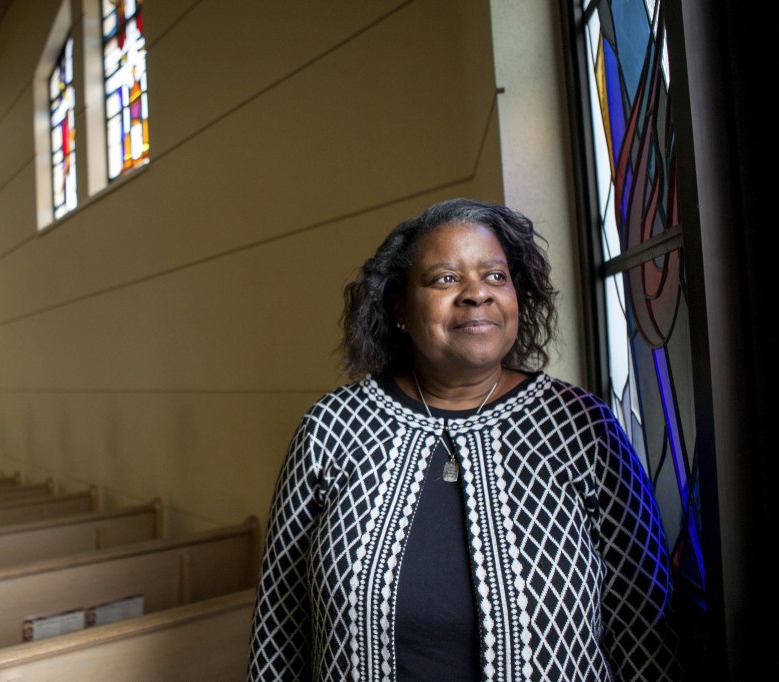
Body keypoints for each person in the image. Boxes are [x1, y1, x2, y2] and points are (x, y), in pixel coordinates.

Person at [247, 198, 681, 680]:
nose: (477, 294)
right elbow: (279, 631)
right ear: (400, 309)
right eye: (445, 279)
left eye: (496, 276)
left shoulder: (582, 426)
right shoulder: (331, 427)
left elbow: (644, 630)